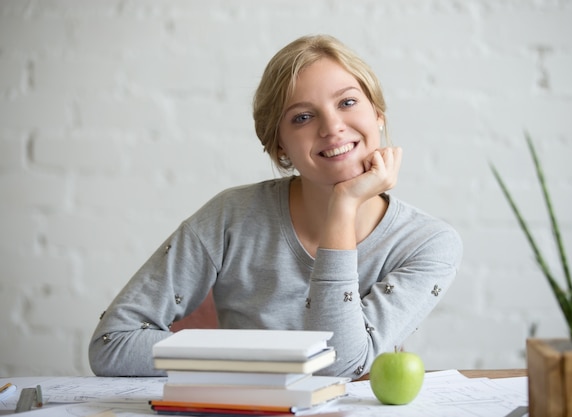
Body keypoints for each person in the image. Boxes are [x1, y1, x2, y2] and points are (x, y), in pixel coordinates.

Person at [88, 34, 463, 379]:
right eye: (302, 117)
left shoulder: (429, 244)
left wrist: (343, 207)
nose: (332, 127)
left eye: (348, 102)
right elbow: (112, 344)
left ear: (377, 115)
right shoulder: (231, 217)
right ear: (279, 146)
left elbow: (341, 363)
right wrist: (274, 359)